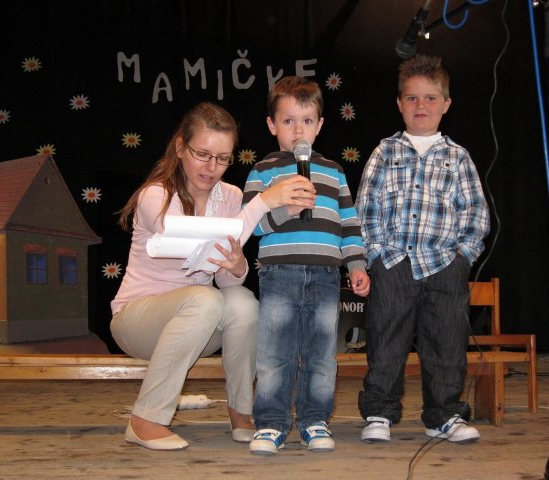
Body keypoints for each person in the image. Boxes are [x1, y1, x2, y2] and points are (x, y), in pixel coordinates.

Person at [110, 102, 316, 451]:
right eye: (202, 154)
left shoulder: (231, 196)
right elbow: (191, 250)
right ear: (180, 147)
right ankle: (145, 420)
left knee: (243, 302)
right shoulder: (155, 196)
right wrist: (262, 203)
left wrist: (236, 265)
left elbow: (226, 281)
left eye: (222, 158)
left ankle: (241, 413)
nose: (211, 168)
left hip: (198, 322)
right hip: (137, 322)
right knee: (204, 300)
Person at [355, 55, 490, 444]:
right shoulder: (384, 152)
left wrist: (462, 257)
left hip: (444, 264)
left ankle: (443, 415)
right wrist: (378, 255)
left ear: (446, 104)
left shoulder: (458, 157)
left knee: (446, 342)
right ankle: (379, 413)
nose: (421, 106)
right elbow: (367, 208)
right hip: (394, 261)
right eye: (412, 98)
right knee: (386, 340)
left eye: (431, 98)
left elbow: (475, 213)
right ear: (400, 103)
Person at [242, 76, 371, 455]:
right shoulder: (263, 170)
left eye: (307, 121)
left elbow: (349, 224)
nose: (298, 130)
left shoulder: (334, 171)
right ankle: (271, 423)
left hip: (326, 276)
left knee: (320, 355)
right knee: (274, 354)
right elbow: (251, 225)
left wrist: (356, 264)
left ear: (320, 125)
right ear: (271, 125)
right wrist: (285, 209)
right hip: (278, 275)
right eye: (288, 121)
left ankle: (315, 419)